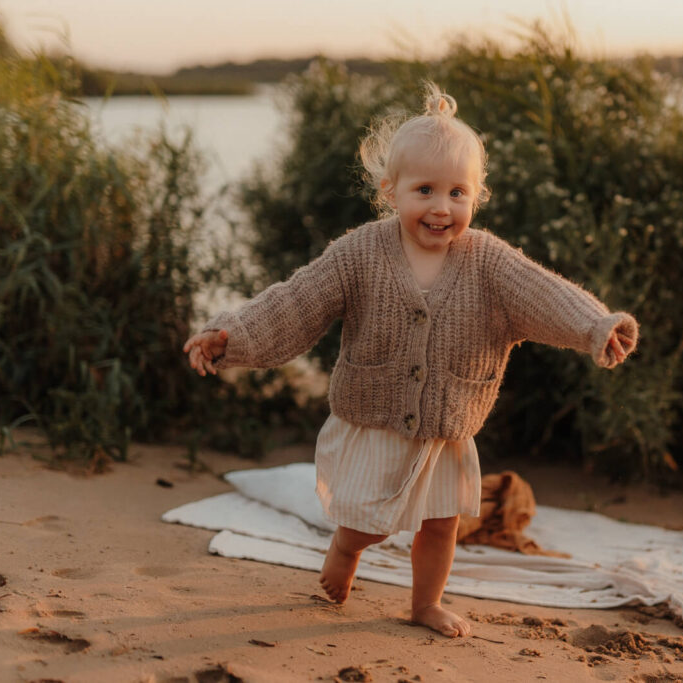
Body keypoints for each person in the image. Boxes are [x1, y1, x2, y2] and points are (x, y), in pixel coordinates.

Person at [182, 83, 638, 638]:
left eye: (457, 193)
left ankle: (425, 604)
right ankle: (347, 551)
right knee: (368, 521)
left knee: (442, 524)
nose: (441, 208)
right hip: (373, 419)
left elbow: (546, 295)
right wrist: (230, 333)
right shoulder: (360, 252)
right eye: (425, 190)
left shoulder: (489, 262)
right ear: (390, 192)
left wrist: (595, 325)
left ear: (477, 196)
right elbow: (294, 303)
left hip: (447, 427)